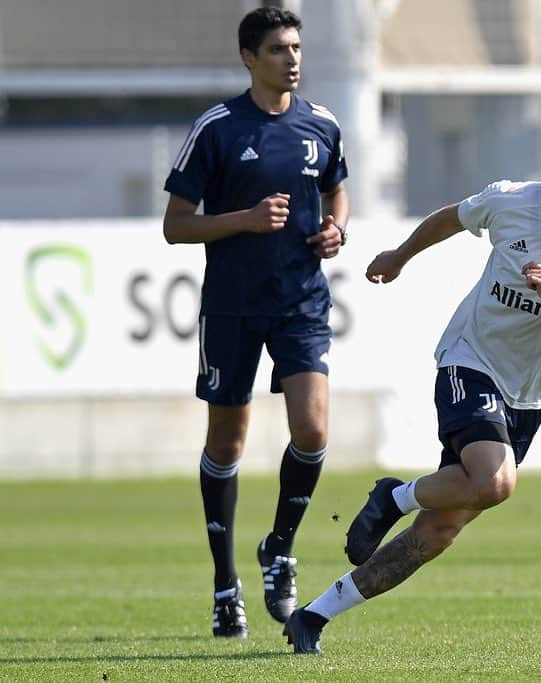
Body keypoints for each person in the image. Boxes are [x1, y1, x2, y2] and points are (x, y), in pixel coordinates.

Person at [281, 104, 541, 654]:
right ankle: (394, 497)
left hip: (530, 395)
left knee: (438, 532)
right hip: (470, 360)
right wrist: (401, 256)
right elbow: (452, 217)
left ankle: (313, 614)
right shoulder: (512, 202)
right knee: (496, 482)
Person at [162, 6, 348, 638]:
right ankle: (224, 583)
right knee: (227, 446)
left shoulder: (321, 123)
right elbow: (175, 224)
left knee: (314, 430)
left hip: (301, 302)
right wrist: (241, 218)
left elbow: (335, 188)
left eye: (295, 47)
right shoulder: (217, 127)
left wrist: (334, 228)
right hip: (233, 307)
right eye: (277, 49)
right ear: (249, 58)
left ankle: (281, 546)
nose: (291, 58)